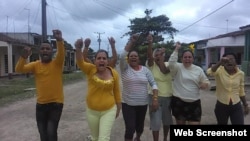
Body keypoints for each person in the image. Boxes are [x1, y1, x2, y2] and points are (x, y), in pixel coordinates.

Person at [15, 29, 65, 141]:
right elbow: (19, 69)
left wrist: (59, 40)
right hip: (41, 105)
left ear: (51, 52)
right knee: (43, 134)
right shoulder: (35, 65)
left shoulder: (57, 64)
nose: (45, 50)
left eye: (48, 49)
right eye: (43, 49)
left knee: (51, 132)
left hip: (56, 104)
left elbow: (61, 54)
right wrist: (23, 57)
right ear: (39, 52)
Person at [75, 38, 121, 141]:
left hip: (109, 110)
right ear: (94, 61)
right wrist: (79, 48)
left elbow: (117, 91)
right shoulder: (90, 70)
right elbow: (80, 61)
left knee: (103, 139)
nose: (101, 60)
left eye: (104, 58)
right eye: (99, 58)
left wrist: (118, 107)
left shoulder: (114, 73)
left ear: (107, 61)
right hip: (92, 111)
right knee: (95, 138)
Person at [120, 34, 158, 141]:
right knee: (130, 128)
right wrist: (131, 42)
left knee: (139, 127)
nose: (133, 57)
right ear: (128, 59)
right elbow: (122, 56)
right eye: (131, 56)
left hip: (142, 104)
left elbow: (153, 83)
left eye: (135, 56)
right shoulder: (125, 69)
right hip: (128, 104)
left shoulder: (145, 70)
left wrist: (155, 99)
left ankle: (138, 137)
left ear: (138, 59)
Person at [168, 41, 210, 125]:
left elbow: (206, 82)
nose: (187, 59)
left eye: (189, 57)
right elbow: (171, 63)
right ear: (181, 59)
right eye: (185, 57)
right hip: (179, 102)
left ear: (193, 59)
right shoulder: (177, 67)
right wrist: (176, 49)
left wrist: (205, 84)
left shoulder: (198, 69)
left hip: (194, 103)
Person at [206, 53, 249, 124]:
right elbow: (209, 72)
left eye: (231, 59)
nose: (229, 61)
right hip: (221, 106)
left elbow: (241, 90)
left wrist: (245, 105)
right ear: (223, 62)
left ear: (235, 61)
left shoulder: (241, 74)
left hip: (236, 106)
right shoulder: (219, 71)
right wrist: (220, 62)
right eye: (226, 60)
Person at [145, 34, 172, 141]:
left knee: (167, 121)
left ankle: (165, 138)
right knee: (155, 122)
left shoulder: (169, 64)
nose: (157, 56)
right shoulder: (150, 64)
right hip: (153, 97)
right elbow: (149, 57)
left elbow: (164, 71)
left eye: (160, 55)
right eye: (156, 55)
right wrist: (150, 43)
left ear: (164, 56)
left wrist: (160, 58)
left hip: (168, 97)